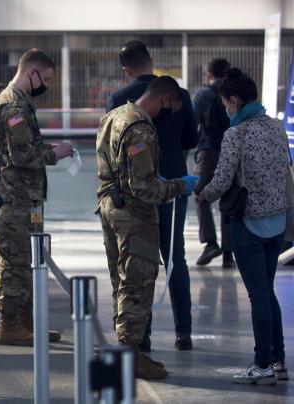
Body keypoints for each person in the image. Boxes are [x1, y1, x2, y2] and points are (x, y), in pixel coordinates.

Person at [97, 76, 199, 379]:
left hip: (110, 209)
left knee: (121, 283)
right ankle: (130, 352)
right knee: (137, 284)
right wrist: (181, 185)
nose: (173, 115)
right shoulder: (140, 126)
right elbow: (146, 189)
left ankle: (130, 351)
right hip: (133, 217)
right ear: (165, 99)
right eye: (175, 108)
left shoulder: (114, 116)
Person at [198, 68, 289, 385]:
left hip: (249, 225)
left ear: (234, 101)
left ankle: (262, 363)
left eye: (226, 103)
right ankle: (278, 360)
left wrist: (202, 194)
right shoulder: (277, 128)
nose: (226, 109)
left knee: (258, 297)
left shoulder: (236, 134)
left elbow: (221, 180)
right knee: (268, 293)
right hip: (277, 224)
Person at [0, 49, 74, 346]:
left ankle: (25, 322)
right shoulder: (14, 106)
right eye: (46, 78)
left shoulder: (19, 102)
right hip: (15, 200)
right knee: (15, 262)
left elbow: (21, 146)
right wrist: (54, 154)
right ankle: (8, 324)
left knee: (28, 262)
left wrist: (47, 146)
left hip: (25, 199)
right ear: (32, 72)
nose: (46, 84)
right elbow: (21, 155)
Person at [192, 58, 234, 268]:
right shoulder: (235, 94)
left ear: (209, 75)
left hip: (208, 154)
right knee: (230, 199)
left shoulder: (202, 95)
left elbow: (192, 125)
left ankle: (210, 243)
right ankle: (228, 253)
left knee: (200, 194)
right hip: (233, 154)